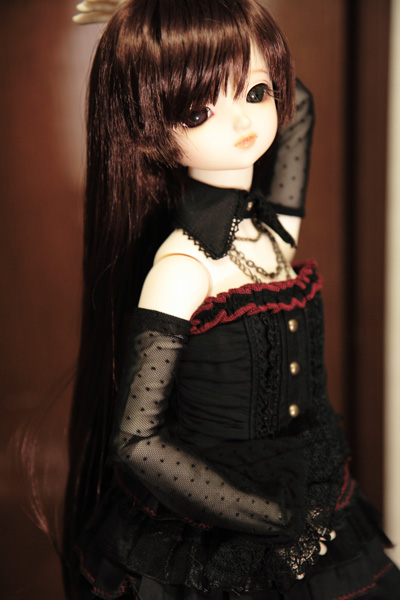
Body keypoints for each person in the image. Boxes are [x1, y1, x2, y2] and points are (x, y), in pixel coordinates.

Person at [64, 1, 400, 598]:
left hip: (317, 494)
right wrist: (266, 516)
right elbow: (135, 442)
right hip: (219, 528)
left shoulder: (271, 232)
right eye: (198, 111)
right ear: (148, 130)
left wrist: (210, 21)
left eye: (255, 92)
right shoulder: (182, 268)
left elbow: (300, 108)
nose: (242, 120)